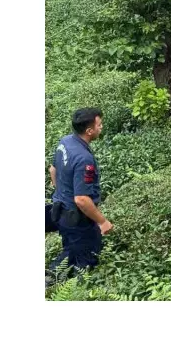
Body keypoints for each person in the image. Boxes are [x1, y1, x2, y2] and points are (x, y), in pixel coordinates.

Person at [47, 108, 113, 285]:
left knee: (74, 246)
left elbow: (53, 170)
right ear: (89, 131)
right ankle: (65, 285)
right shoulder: (83, 158)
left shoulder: (65, 142)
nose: (102, 127)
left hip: (60, 209)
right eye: (99, 125)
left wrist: (62, 192)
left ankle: (52, 278)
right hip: (76, 217)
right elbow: (81, 199)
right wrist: (103, 221)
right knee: (87, 258)